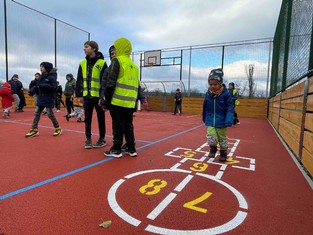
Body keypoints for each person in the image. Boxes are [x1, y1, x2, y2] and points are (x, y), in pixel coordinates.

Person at [104, 37, 142, 158]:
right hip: (130, 102)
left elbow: (111, 82)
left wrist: (107, 99)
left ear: (119, 47)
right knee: (128, 125)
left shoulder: (117, 61)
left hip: (118, 100)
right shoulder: (135, 66)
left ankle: (116, 149)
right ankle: (131, 147)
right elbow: (136, 85)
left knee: (117, 125)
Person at [75, 40, 108, 149]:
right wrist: (79, 94)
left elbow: (105, 81)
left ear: (94, 48)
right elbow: (79, 79)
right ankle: (88, 139)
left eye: (86, 47)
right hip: (87, 97)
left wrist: (102, 97)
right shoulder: (82, 63)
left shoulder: (102, 63)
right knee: (87, 118)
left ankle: (102, 139)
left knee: (100, 118)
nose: (84, 49)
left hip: (98, 97)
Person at [202, 68, 234, 161]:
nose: (213, 86)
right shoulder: (208, 94)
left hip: (222, 120)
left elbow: (230, 107)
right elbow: (205, 106)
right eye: (211, 84)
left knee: (222, 138)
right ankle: (213, 149)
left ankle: (223, 152)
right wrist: (205, 117)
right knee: (211, 136)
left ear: (220, 84)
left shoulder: (225, 94)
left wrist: (229, 119)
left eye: (215, 84)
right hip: (211, 119)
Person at [26, 62, 62, 138]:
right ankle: (34, 129)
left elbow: (54, 87)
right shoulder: (41, 77)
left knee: (50, 114)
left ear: (47, 68)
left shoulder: (52, 77)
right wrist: (32, 91)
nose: (41, 68)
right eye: (40, 67)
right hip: (41, 98)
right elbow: (37, 86)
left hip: (49, 98)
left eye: (42, 67)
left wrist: (42, 86)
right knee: (37, 113)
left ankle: (57, 128)